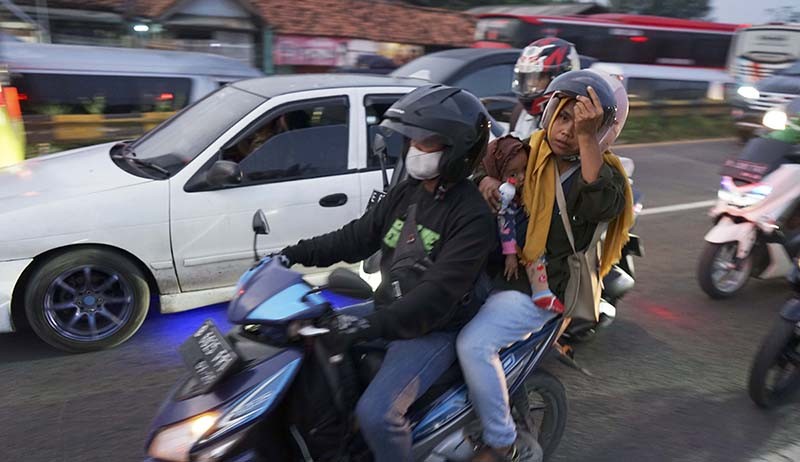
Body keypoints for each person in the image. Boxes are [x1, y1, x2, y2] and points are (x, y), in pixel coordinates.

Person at [279, 84, 496, 462]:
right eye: (413, 140)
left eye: (427, 141)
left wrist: (368, 326)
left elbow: (436, 295)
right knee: (309, 339)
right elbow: (356, 238)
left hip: (434, 328)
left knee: (377, 415)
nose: (415, 148)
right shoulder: (407, 193)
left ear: (457, 150)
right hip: (389, 308)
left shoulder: (472, 216)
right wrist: (290, 254)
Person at [458, 70, 635, 462]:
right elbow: (484, 166)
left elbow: (601, 204)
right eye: (564, 116)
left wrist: (589, 139)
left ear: (601, 131)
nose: (568, 131)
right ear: (550, 111)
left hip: (539, 290)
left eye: (583, 124)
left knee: (474, 344)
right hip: (489, 269)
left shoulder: (605, 176)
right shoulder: (524, 150)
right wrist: (485, 181)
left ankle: (502, 439)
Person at [508, 38, 581, 140]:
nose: (530, 84)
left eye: (538, 78)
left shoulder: (580, 118)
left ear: (560, 77)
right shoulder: (519, 112)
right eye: (526, 78)